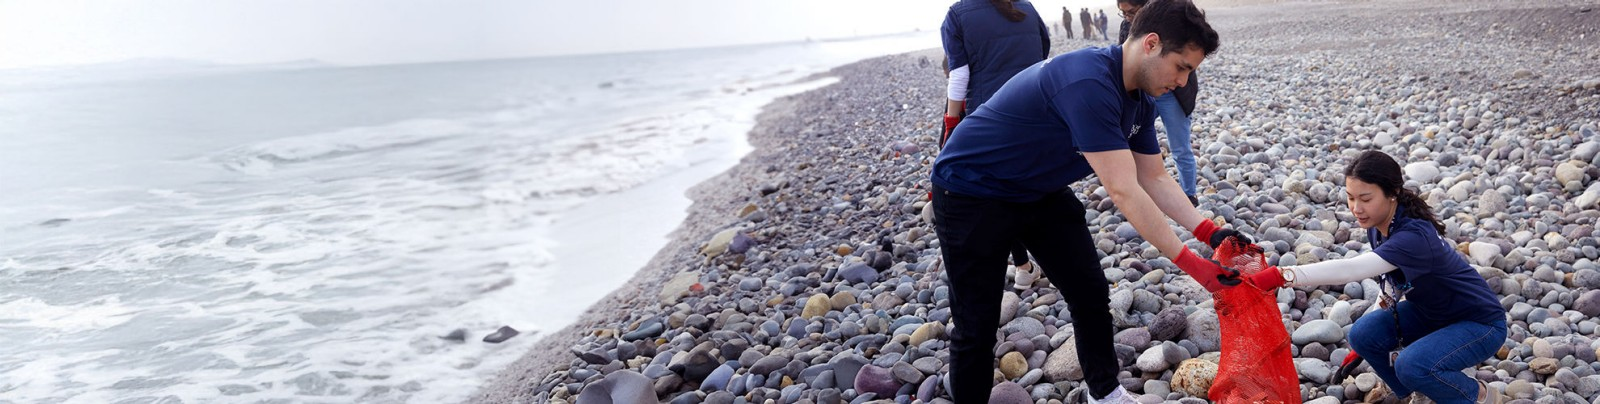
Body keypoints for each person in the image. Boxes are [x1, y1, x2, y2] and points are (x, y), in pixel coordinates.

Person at [929, 0, 1226, 402]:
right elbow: (1124, 189)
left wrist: (1213, 235)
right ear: (1151, 44)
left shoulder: (1140, 97)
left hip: (1038, 190)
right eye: (1182, 67)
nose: (1183, 81)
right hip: (970, 191)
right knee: (976, 323)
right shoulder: (1088, 82)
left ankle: (1107, 394)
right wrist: (1195, 267)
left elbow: (1153, 176)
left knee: (1089, 292)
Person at [1235, 150, 1507, 404]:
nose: (1356, 208)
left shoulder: (1413, 237)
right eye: (1351, 197)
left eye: (1365, 199)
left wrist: (1280, 275)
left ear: (1393, 193)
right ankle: (1424, 390)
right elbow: (1388, 285)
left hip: (1479, 324)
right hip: (1431, 313)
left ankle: (1479, 395)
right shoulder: (1380, 226)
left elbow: (1351, 269)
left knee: (1411, 364)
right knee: (1364, 333)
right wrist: (1363, 347)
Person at [940, 0, 1051, 290]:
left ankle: (1022, 266)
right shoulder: (1026, 7)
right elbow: (1043, 51)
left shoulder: (957, 14)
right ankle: (1055, 264)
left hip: (991, 116)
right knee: (1040, 189)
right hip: (1036, 110)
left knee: (998, 193)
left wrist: (951, 123)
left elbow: (959, 75)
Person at [1119, 0, 1202, 206]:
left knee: (1180, 147)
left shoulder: (1172, 22)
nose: (1127, 17)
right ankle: (1137, 195)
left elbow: (1188, 60)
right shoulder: (1127, 26)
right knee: (1131, 142)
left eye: (1131, 12)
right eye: (1123, 14)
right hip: (1143, 92)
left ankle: (1189, 196)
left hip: (1173, 95)